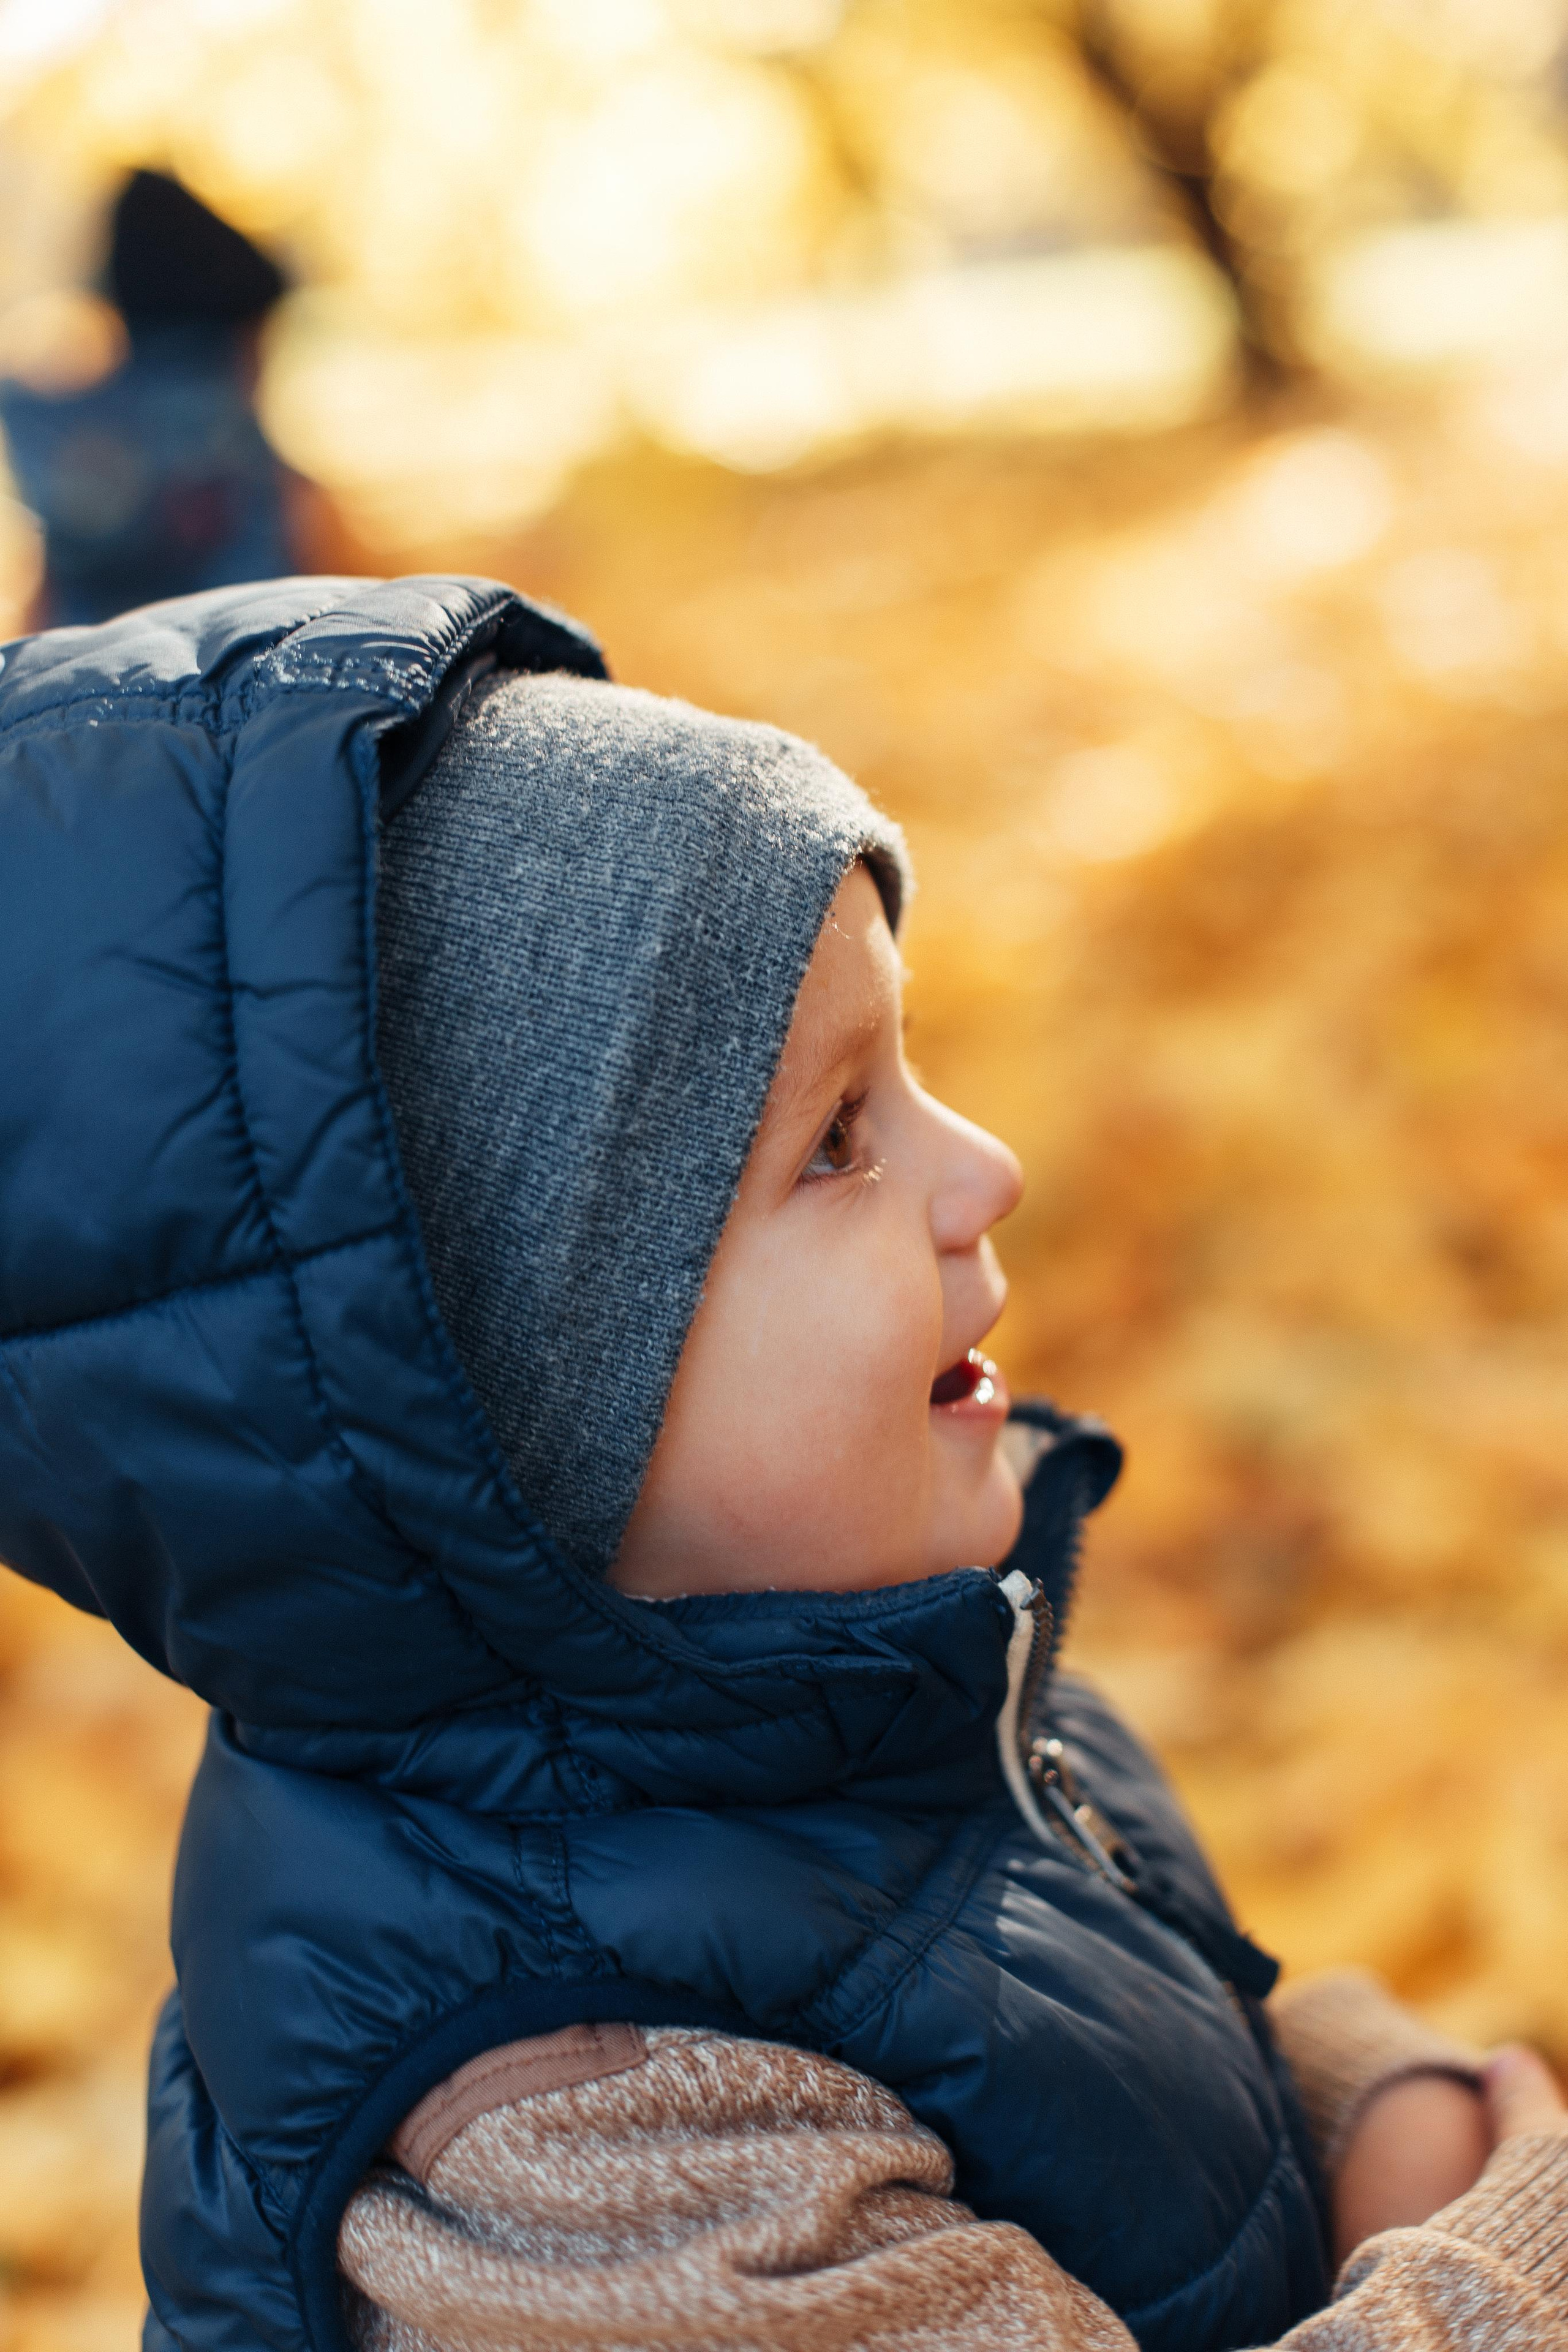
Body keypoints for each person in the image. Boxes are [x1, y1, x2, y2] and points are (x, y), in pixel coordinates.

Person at [0, 575, 1562, 2352]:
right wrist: (1507, 2261)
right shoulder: (571, 2138)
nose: (985, 1169)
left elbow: (1117, 2060)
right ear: (504, 1433)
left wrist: (1355, 2097)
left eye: (912, 1072)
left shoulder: (880, 1701)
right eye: (838, 1141)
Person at [0, 169, 293, 627]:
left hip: (93, 678)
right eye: (259, 343)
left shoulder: (62, 426)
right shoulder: (228, 438)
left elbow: (53, 596)